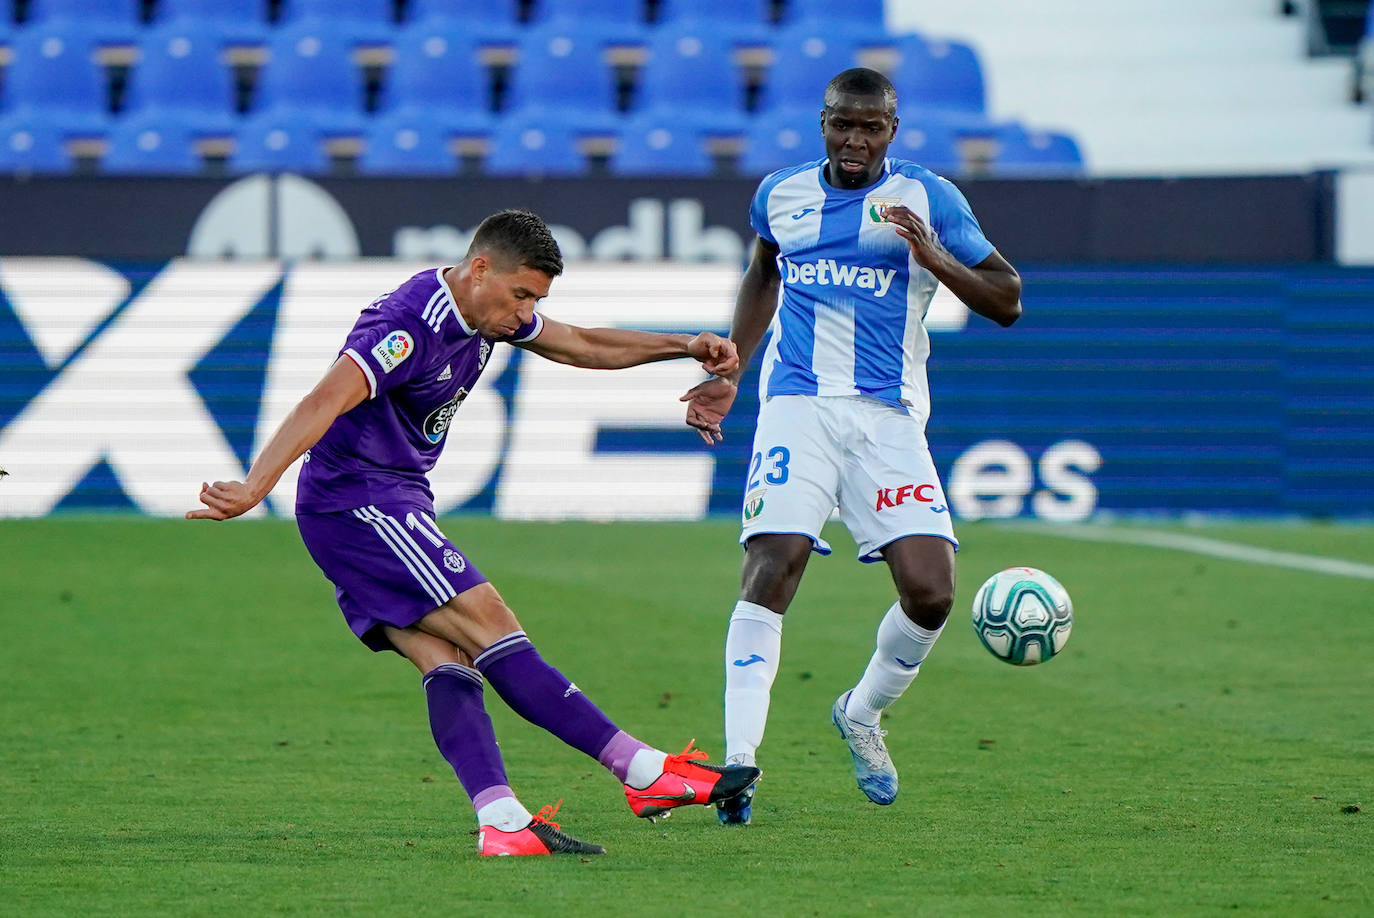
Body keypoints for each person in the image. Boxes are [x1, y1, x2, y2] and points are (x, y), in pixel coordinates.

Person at [188, 209, 760, 856]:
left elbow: (580, 344)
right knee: (490, 620)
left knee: (448, 657)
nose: (526, 314)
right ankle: (643, 772)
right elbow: (323, 400)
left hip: (387, 502)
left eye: (535, 301)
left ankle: (504, 824)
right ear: (480, 268)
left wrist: (683, 346)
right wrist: (255, 486)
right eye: (522, 295)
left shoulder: (487, 312)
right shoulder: (407, 323)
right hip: (360, 503)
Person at [681, 68, 1023, 824]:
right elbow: (762, 269)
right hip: (796, 405)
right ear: (824, 121)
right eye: (843, 123)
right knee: (775, 562)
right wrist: (733, 367)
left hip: (887, 416)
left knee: (932, 592)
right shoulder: (781, 194)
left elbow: (1008, 299)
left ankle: (862, 712)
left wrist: (935, 260)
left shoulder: (929, 199)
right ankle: (739, 764)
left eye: (872, 127)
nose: (856, 139)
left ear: (893, 132)